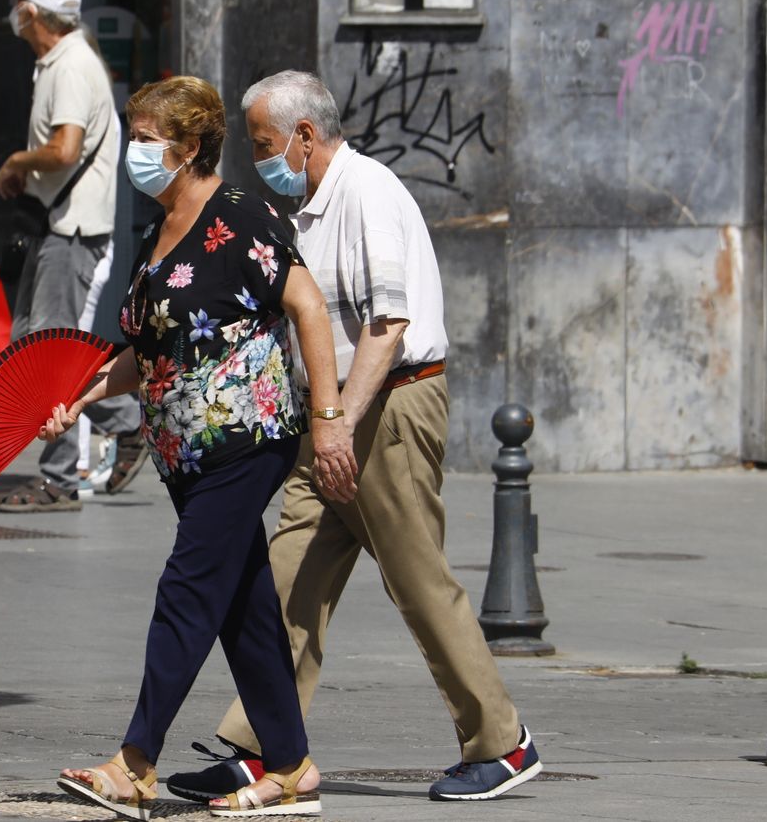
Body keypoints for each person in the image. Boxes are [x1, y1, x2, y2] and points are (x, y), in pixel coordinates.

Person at [168, 71, 541, 804]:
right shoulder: (308, 207)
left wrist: (337, 421)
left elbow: (388, 324)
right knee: (287, 578)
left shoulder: (367, 190)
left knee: (416, 578)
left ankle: (502, 742)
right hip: (334, 418)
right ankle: (261, 745)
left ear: (306, 136)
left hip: (385, 411)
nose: (259, 158)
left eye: (265, 142)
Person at [43, 76, 356, 819]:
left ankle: (135, 761)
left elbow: (307, 306)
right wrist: (85, 396)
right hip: (186, 453)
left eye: (148, 139)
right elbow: (146, 348)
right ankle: (289, 766)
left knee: (187, 588)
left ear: (187, 149)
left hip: (246, 436)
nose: (136, 151)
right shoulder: (156, 233)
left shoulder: (240, 215)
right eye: (135, 135)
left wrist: (329, 415)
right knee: (242, 602)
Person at [0, 0, 142, 512]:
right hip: (59, 227)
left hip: (73, 231)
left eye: (20, 4)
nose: (15, 13)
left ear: (34, 12)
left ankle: (58, 479)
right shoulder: (59, 61)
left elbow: (64, 148)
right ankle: (127, 421)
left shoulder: (71, 64)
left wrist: (14, 162)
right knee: (31, 343)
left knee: (49, 353)